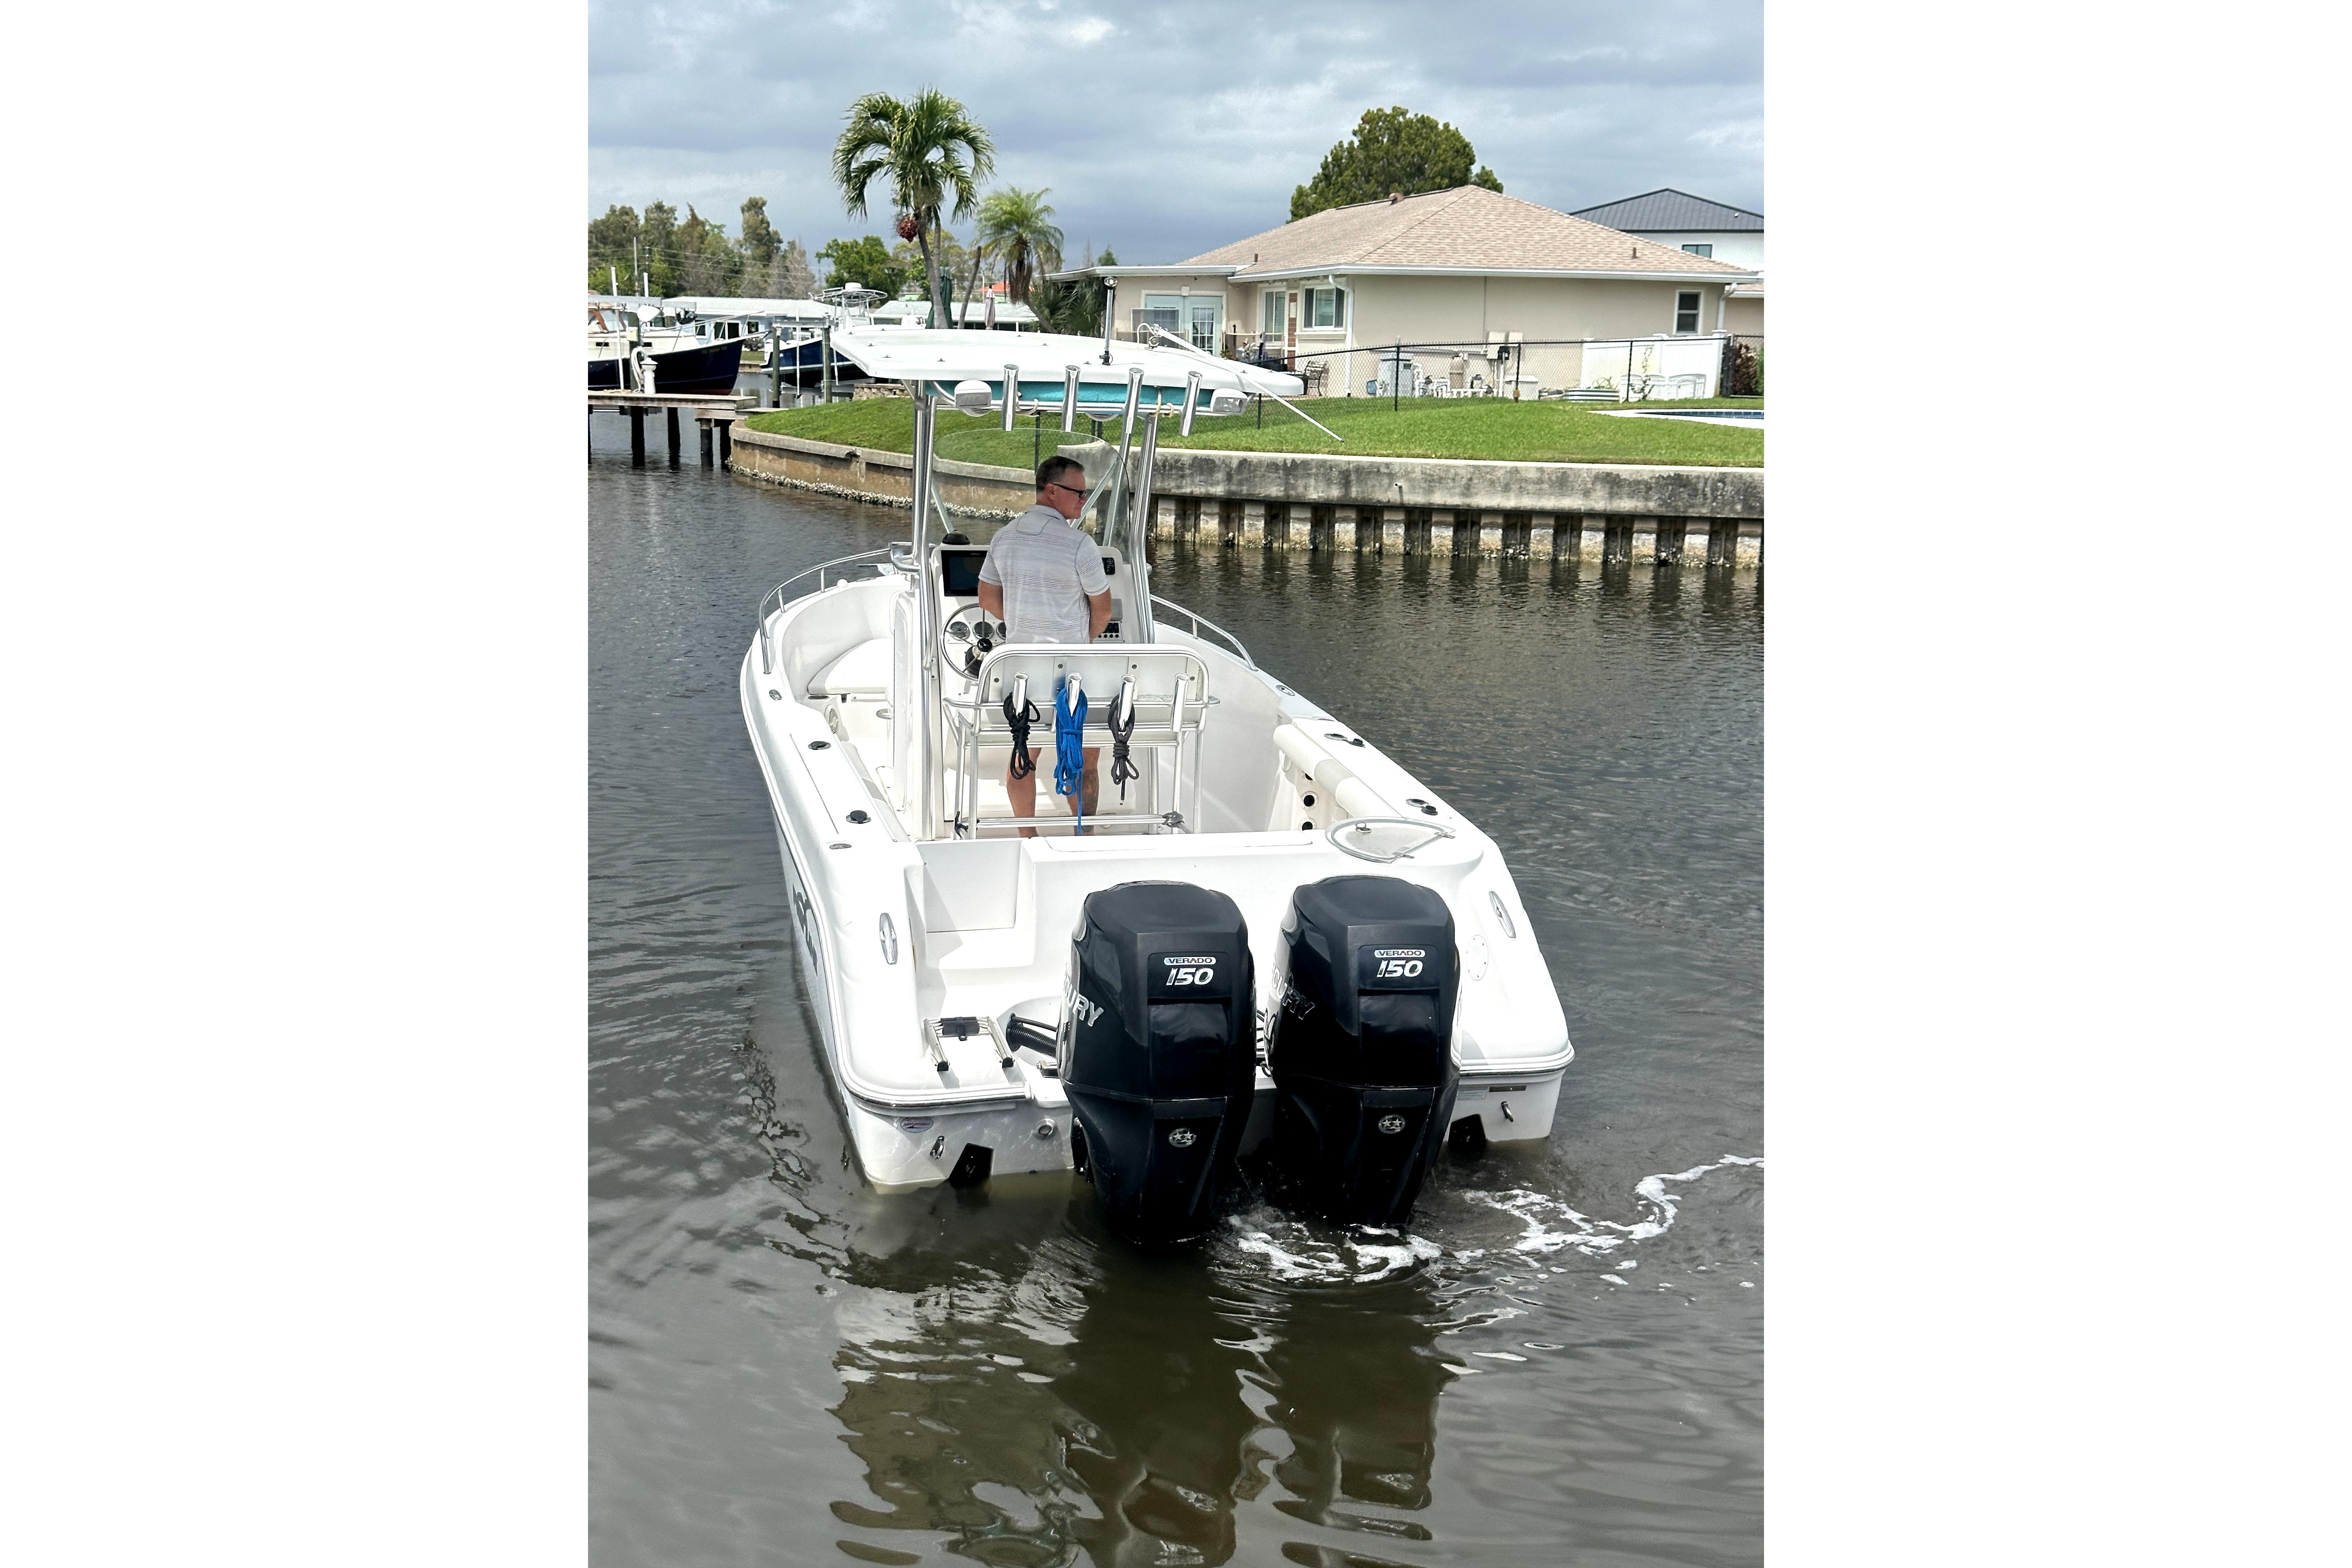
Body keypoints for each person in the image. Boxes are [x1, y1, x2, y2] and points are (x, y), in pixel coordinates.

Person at [977, 456, 1112, 834]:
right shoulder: (1079, 545)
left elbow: (986, 599)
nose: (1083, 500)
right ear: (1052, 491)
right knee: (1085, 758)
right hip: (1074, 675)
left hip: (1023, 671)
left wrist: (1024, 625)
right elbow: (1102, 611)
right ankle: (1083, 833)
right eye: (1078, 492)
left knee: (1024, 753)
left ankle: (1028, 836)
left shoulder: (1004, 537)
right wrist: (1079, 638)